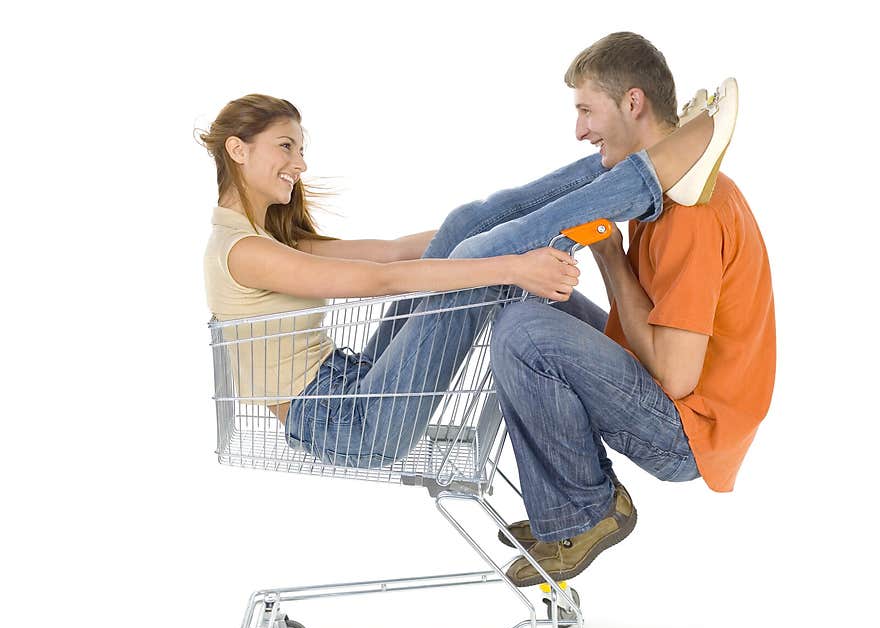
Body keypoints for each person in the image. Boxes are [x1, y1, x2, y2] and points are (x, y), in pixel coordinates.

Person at [200, 81, 733, 473]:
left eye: (300, 148)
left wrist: (493, 230)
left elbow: (391, 254)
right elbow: (382, 282)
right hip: (350, 421)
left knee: (466, 225)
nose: (300, 164)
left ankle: (624, 166)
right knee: (482, 249)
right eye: (285, 147)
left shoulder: (270, 239)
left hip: (353, 385)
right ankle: (646, 177)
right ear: (238, 150)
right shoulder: (243, 250)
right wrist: (509, 264)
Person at [477, 33, 775, 588]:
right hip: (669, 389)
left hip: (688, 430)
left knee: (525, 331)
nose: (579, 131)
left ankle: (589, 512)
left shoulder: (692, 211)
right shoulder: (658, 191)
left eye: (587, 110)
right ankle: (560, 508)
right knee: (522, 300)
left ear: (632, 103)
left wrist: (609, 253)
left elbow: (677, 376)